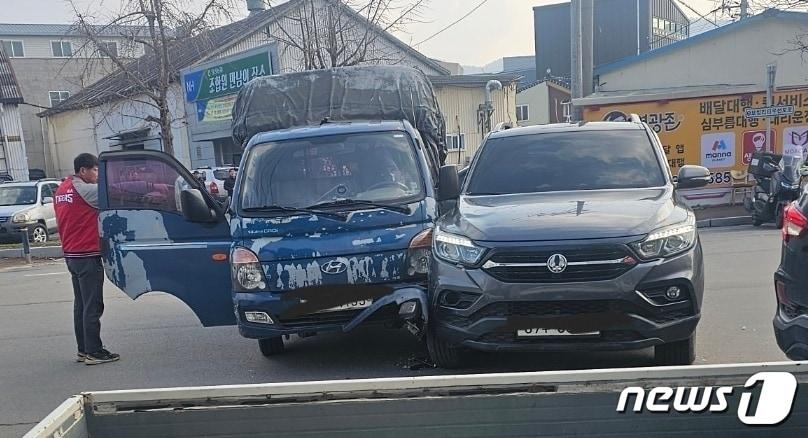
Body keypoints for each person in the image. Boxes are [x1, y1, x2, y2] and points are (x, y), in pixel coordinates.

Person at [54, 153, 120, 366]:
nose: (97, 174)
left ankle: (83, 349)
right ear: (83, 171)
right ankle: (94, 351)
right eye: (94, 170)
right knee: (93, 305)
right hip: (86, 254)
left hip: (71, 255)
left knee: (81, 305)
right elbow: (115, 193)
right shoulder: (88, 191)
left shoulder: (62, 189)